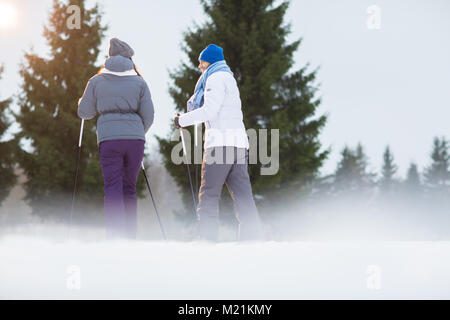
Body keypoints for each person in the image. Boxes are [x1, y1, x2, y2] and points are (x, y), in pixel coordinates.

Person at [174, 44, 263, 241]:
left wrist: (182, 120)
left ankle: (206, 239)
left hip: (220, 144)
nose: (199, 66)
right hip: (239, 145)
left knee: (209, 194)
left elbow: (209, 110)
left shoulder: (214, 78)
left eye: (201, 62)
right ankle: (253, 239)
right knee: (243, 196)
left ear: (210, 61)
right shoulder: (229, 78)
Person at [78, 38, 154, 239]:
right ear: (129, 58)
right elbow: (149, 115)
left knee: (112, 186)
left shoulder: (96, 81)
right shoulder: (139, 82)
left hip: (109, 139)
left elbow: (84, 112)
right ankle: (130, 236)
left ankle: (114, 236)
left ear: (109, 57)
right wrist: (137, 133)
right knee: (129, 187)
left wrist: (81, 102)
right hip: (135, 141)